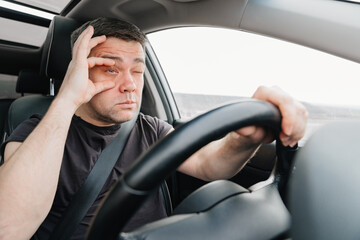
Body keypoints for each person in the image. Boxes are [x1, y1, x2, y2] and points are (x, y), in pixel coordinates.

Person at [0, 17, 307, 240]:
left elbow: (209, 165)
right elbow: (8, 228)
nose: (131, 85)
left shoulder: (151, 129)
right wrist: (67, 98)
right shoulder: (35, 131)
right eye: (110, 68)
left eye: (138, 70)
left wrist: (242, 139)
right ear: (79, 71)